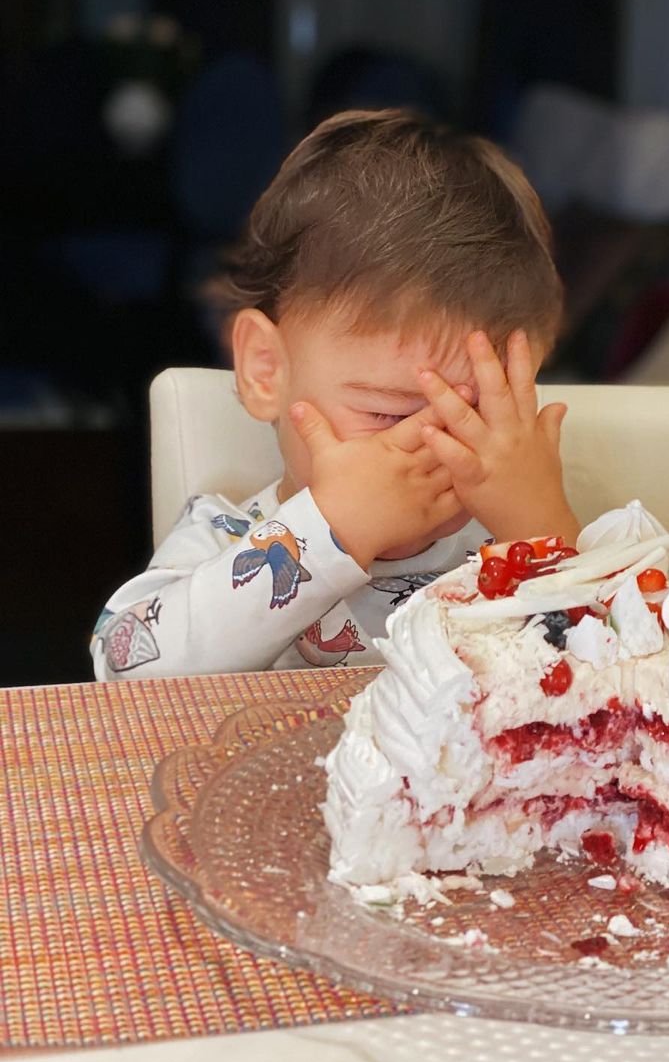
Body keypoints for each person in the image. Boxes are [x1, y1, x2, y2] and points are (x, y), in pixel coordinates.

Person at [91, 110, 577, 679]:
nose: (436, 449)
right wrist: (329, 529)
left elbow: (627, 682)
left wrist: (545, 533)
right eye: (385, 412)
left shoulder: (502, 541)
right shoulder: (227, 540)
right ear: (267, 370)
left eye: (476, 418)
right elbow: (126, 671)